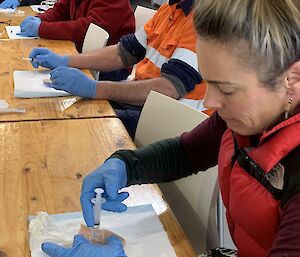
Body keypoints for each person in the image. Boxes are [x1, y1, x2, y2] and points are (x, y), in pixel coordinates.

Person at [41, 0, 300, 256]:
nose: (209, 101)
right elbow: (187, 152)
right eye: (208, 82)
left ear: (292, 79)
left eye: (227, 89)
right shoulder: (250, 117)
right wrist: (126, 165)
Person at [28, 0, 203, 138]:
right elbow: (123, 53)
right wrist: (66, 61)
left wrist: (95, 88)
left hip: (170, 122)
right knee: (60, 113)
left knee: (74, 125)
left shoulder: (203, 19)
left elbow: (169, 88)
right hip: (143, 105)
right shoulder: (169, 8)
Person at [18, 0, 135, 53]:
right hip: (82, 51)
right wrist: (41, 18)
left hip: (111, 65)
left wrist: (41, 28)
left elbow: (87, 29)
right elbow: (61, 9)